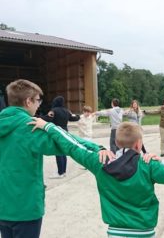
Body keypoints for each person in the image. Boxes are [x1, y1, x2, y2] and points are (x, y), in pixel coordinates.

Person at [28, 120, 164, 238]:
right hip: (144, 231)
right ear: (138, 144)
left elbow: (73, 145)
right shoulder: (148, 164)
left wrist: (49, 126)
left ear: (117, 143)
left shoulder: (99, 161)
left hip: (115, 231)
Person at [0, 79, 105, 238]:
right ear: (28, 101)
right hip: (26, 208)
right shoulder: (28, 126)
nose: (39, 105)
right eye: (37, 100)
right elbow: (66, 143)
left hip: (3, 208)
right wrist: (97, 148)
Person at [42, 95, 80, 179]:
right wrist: (78, 116)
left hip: (57, 132)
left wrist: (37, 117)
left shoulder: (53, 110)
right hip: (65, 132)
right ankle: (63, 172)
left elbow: (48, 119)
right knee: (63, 152)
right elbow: (74, 118)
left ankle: (60, 173)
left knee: (58, 153)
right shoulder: (66, 111)